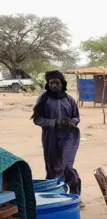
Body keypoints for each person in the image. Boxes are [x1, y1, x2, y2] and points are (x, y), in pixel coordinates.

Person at [31, 70, 83, 205]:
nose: (54, 86)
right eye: (51, 83)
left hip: (70, 136)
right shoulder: (43, 99)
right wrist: (54, 122)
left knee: (66, 164)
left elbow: (76, 116)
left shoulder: (69, 100)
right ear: (48, 84)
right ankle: (54, 196)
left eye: (57, 83)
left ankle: (75, 193)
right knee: (52, 166)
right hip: (50, 136)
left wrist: (73, 121)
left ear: (62, 84)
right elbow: (37, 120)